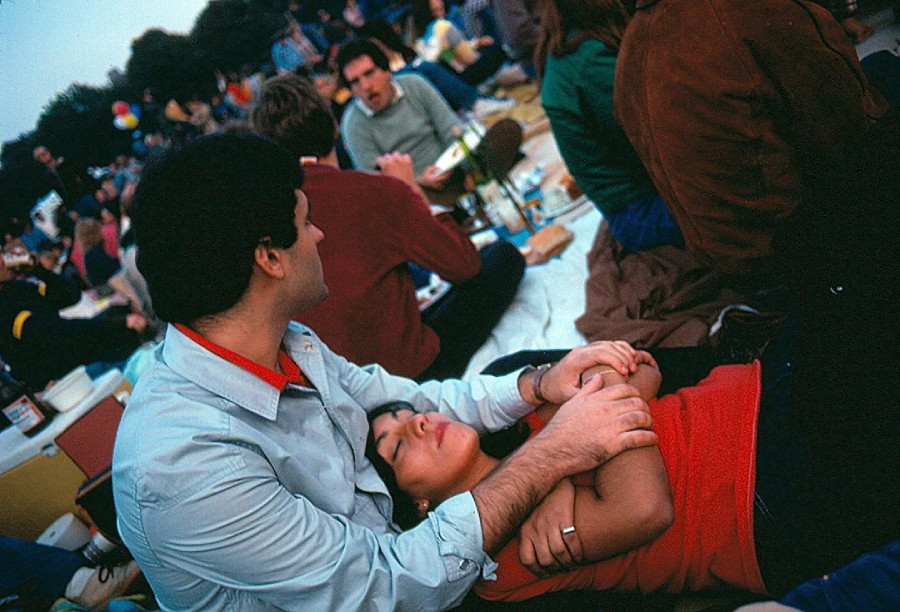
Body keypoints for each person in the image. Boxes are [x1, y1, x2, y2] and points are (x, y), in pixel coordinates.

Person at [112, 133, 659, 611]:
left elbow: (415, 400)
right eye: (305, 223)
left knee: (526, 372)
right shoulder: (185, 467)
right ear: (269, 258)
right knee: (593, 560)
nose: (320, 236)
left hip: (402, 543)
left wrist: (539, 384)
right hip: (397, 586)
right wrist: (547, 462)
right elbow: (388, 589)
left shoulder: (285, 342)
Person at [368, 307, 900, 601]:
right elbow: (646, 507)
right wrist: (572, 445)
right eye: (395, 447)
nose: (416, 423)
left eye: (404, 413)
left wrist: (566, 466)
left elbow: (643, 368)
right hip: (762, 497)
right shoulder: (501, 561)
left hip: (760, 391)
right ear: (417, 509)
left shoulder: (520, 427)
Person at [251, 73, 525, 380]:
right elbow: (465, 265)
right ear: (332, 127)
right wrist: (412, 192)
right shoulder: (372, 189)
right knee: (503, 257)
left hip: (339, 388)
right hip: (410, 373)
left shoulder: (263, 223)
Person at [613, 0, 889, 276]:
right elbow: (849, 132)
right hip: (795, 248)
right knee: (886, 72)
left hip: (725, 256)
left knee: (877, 69)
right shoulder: (749, 9)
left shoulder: (630, 46)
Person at [537, 0, 683, 252]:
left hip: (635, 202)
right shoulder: (590, 60)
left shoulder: (574, 44)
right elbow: (664, 138)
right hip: (639, 212)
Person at [337, 39, 465, 204]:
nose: (366, 86)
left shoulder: (414, 84)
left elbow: (453, 130)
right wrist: (418, 182)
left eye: (369, 73)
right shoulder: (353, 123)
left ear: (387, 71)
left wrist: (452, 166)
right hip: (415, 195)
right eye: (355, 82)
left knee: (503, 131)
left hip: (453, 167)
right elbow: (377, 185)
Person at [409, 0, 507, 87]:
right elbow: (470, 58)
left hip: (454, 78)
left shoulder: (423, 37)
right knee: (495, 44)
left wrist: (477, 43)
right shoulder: (444, 26)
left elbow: (451, 53)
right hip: (469, 75)